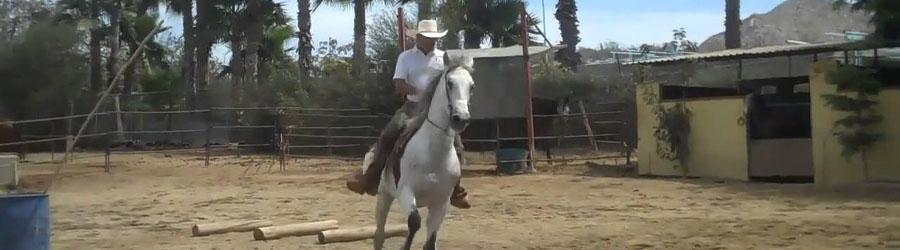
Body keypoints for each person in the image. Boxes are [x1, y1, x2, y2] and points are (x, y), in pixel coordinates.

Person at [345, 20, 471, 209]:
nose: (432, 41)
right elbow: (399, 84)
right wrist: (422, 93)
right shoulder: (406, 57)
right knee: (389, 135)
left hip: (437, 110)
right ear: (418, 38)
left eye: (434, 38)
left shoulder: (444, 58)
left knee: (457, 145)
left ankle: (456, 190)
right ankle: (369, 178)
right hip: (412, 106)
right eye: (428, 38)